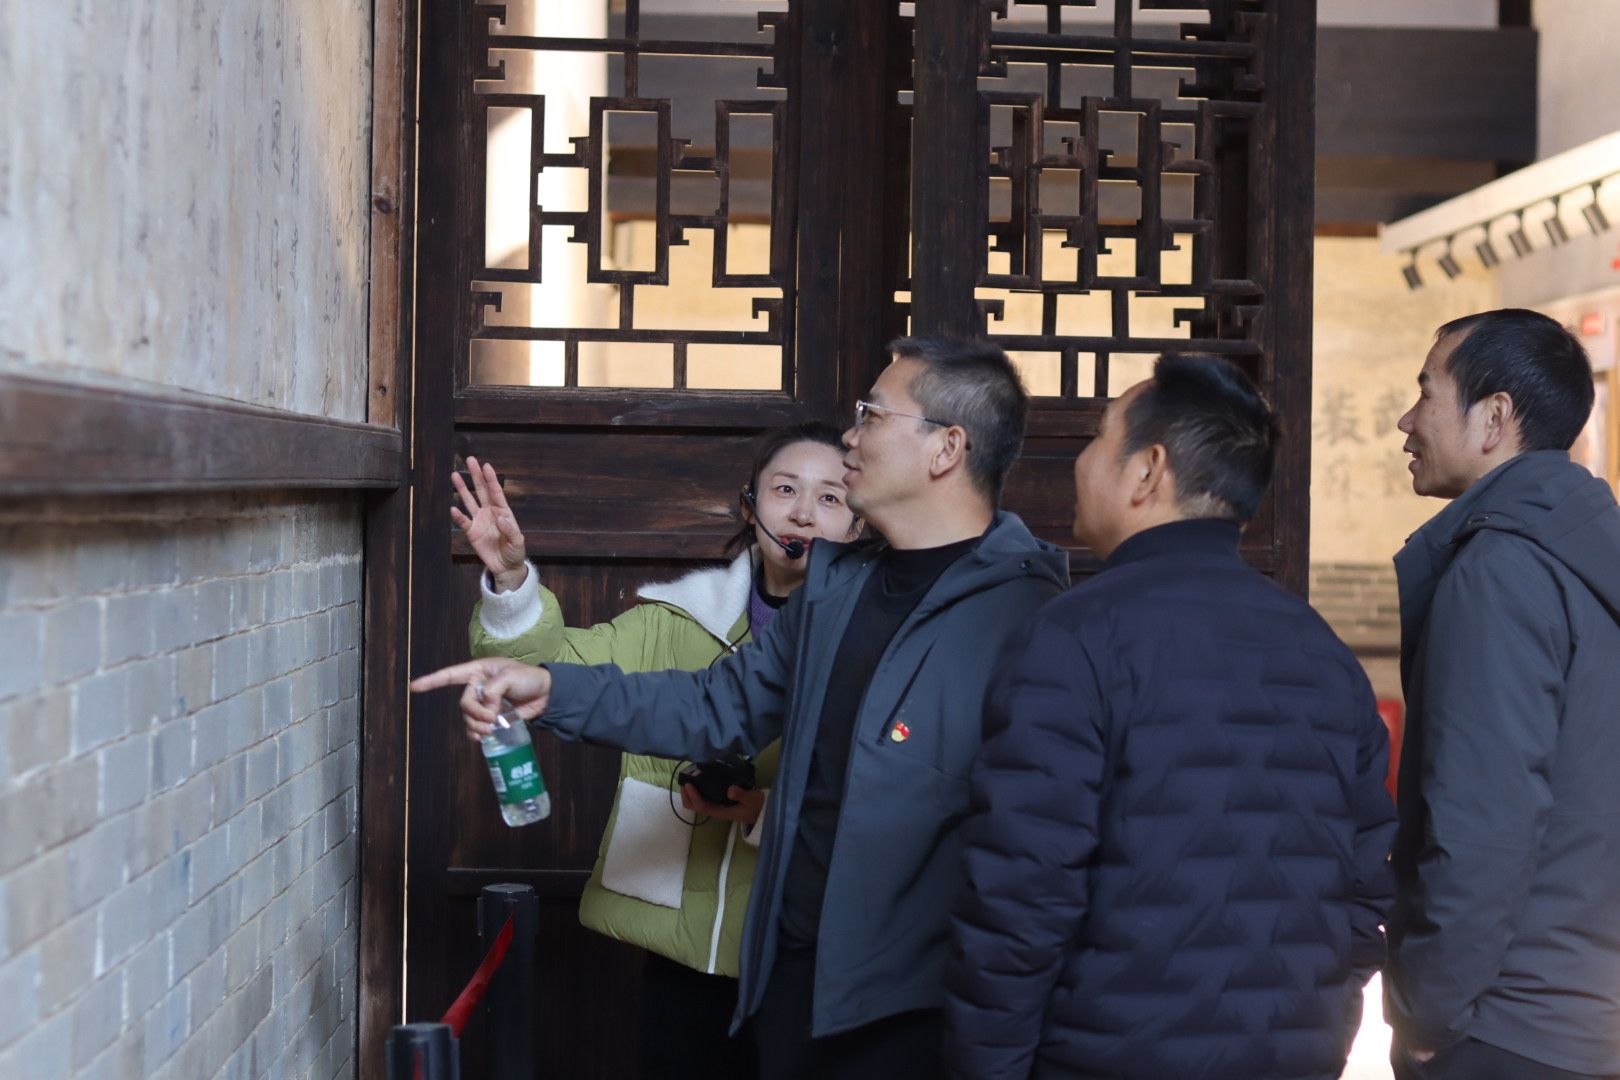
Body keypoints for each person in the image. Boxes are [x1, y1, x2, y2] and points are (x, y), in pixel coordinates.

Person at [414, 336, 1069, 1079]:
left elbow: (1036, 850)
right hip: (790, 979)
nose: (851, 437)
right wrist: (554, 689)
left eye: (873, 415)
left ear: (946, 448)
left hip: (917, 1007)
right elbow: (716, 702)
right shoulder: (838, 590)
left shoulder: (1030, 616)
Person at [945, 354, 1396, 1080]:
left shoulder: (1073, 634)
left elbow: (1022, 894)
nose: (1082, 461)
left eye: (1098, 437)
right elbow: (1368, 881)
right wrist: (1323, 1021)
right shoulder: (1321, 650)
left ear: (1148, 470)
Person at [450, 421, 861, 1080]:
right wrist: (511, 578)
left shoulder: (873, 635)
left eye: (831, 497)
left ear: (860, 522)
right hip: (681, 951)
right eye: (785, 489)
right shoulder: (674, 621)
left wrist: (764, 811)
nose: (804, 512)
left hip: (811, 949)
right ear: (750, 505)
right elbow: (550, 669)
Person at [1386, 309, 1620, 1080]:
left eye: (1427, 393)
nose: (1406, 421)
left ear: (1494, 418)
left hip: (1505, 1025)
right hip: (1587, 1015)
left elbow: (1482, 820)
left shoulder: (1501, 569)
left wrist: (1429, 1013)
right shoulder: (1587, 550)